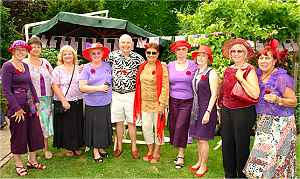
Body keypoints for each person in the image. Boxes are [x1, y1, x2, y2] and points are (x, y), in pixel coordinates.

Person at [243, 40, 297, 178]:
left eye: (267, 58)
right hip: (264, 122)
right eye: (261, 58)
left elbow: (293, 102)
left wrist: (278, 99)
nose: (263, 60)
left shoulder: (281, 77)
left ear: (274, 61)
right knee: (260, 156)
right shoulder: (257, 75)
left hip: (282, 124)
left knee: (279, 159)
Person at [2, 40, 45, 176]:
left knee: (34, 133)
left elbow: (30, 85)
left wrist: (36, 101)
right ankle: (19, 164)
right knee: (18, 136)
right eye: (18, 50)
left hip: (30, 105)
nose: (21, 52)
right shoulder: (7, 66)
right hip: (17, 107)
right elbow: (6, 90)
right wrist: (16, 108)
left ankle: (32, 161)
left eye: (23, 50)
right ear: (13, 51)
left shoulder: (25, 65)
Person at [219, 38, 260, 178]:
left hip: (243, 112)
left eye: (240, 51)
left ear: (246, 53)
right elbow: (224, 92)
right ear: (230, 54)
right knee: (227, 144)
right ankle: (229, 175)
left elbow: (255, 94)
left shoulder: (250, 70)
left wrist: (241, 79)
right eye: (233, 51)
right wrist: (221, 110)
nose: (236, 54)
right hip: (227, 111)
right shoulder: (228, 69)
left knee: (241, 146)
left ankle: (242, 176)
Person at [107, 34, 145, 159]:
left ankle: (134, 147)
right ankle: (119, 146)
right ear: (119, 43)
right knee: (119, 122)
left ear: (132, 44)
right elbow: (102, 68)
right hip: (116, 94)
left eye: (128, 43)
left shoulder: (138, 58)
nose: (126, 45)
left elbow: (148, 70)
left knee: (131, 122)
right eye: (123, 42)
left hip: (131, 94)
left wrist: (162, 66)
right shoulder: (112, 56)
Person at [133, 42, 169, 163]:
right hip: (144, 103)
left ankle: (156, 151)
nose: (151, 55)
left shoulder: (162, 67)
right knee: (146, 128)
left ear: (158, 54)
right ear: (146, 53)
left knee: (158, 127)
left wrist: (162, 103)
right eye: (149, 52)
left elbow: (165, 86)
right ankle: (150, 149)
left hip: (157, 103)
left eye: (154, 53)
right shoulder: (142, 66)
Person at [79, 43, 112, 163]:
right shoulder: (86, 68)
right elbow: (82, 87)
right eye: (94, 53)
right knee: (95, 128)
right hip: (92, 103)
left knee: (103, 126)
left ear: (103, 54)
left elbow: (111, 80)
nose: (96, 55)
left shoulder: (108, 65)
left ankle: (101, 147)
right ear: (89, 55)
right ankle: (95, 151)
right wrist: (98, 88)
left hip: (106, 102)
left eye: (99, 53)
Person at [189, 45, 219, 177]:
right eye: (198, 55)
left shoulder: (211, 72)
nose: (200, 58)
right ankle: (199, 161)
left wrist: (208, 111)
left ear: (208, 58)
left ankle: (204, 165)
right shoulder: (197, 72)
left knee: (203, 139)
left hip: (207, 109)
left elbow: (214, 94)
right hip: (197, 109)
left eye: (203, 55)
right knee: (198, 138)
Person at [167, 40, 198, 169]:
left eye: (183, 49)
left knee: (181, 126)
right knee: (173, 126)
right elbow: (165, 82)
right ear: (175, 51)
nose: (181, 52)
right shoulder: (170, 65)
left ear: (187, 51)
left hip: (187, 100)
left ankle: (181, 155)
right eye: (178, 49)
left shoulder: (193, 65)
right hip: (173, 99)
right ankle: (178, 149)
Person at [23, 36, 54, 159]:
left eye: (38, 46)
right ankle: (33, 151)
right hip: (32, 99)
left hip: (47, 98)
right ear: (28, 48)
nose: (35, 49)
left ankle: (46, 149)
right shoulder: (24, 63)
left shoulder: (45, 62)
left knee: (45, 123)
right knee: (35, 125)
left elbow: (54, 77)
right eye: (33, 46)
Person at [52, 45, 83, 157]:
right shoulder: (57, 69)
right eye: (65, 54)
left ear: (73, 55)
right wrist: (63, 100)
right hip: (63, 100)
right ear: (62, 56)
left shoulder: (79, 68)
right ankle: (67, 147)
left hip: (78, 100)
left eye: (70, 53)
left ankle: (76, 146)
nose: (67, 56)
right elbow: (55, 86)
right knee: (65, 126)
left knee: (77, 124)